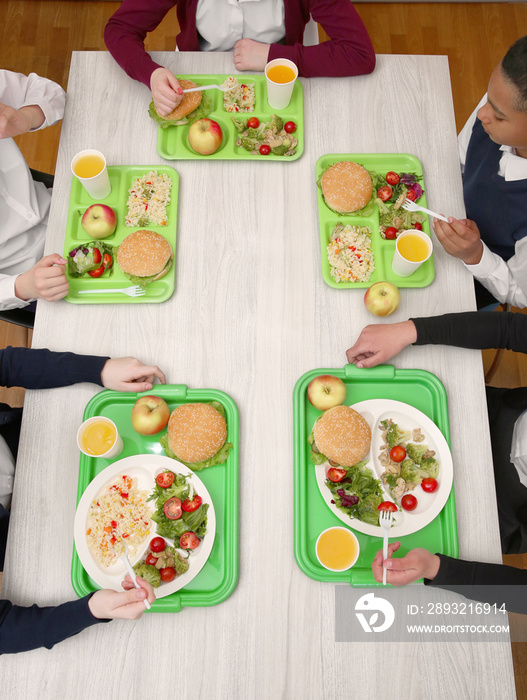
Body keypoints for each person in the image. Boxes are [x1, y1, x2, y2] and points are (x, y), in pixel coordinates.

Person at [346, 311, 527, 610]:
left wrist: (437, 569)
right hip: (485, 412)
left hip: (491, 511)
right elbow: (510, 329)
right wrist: (411, 331)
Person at [0, 346, 166, 654]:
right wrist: (90, 610)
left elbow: (6, 365)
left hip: (28, 436)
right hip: (23, 546)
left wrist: (98, 370)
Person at [104, 0, 375, 117]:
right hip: (200, 72)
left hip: (280, 75)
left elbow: (360, 53)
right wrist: (150, 73)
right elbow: (120, 29)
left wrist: (272, 55)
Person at [431, 35, 527, 308]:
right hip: (442, 219)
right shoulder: (495, 107)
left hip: (475, 282)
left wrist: (475, 254)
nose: (482, 113)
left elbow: (519, 294)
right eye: (488, 96)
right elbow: (458, 160)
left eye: (498, 115)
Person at [0, 69, 70, 313]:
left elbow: (51, 92)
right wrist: (22, 286)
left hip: (65, 207)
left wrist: (25, 118)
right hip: (33, 281)